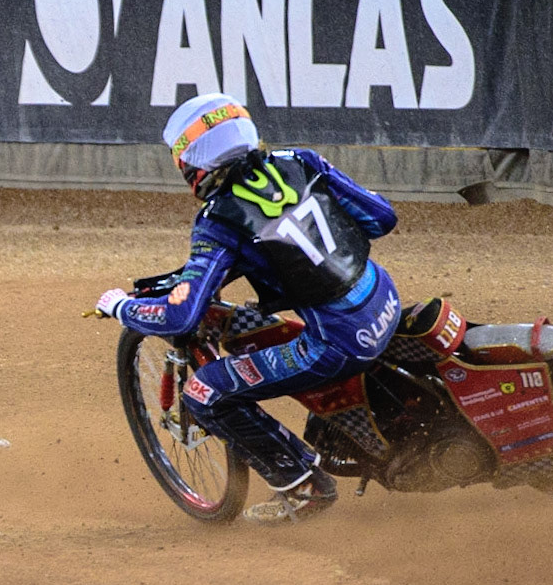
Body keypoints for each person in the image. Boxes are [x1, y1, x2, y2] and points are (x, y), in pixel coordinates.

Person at [94, 93, 400, 523]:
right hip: (385, 298)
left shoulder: (217, 221)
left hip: (338, 342)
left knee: (204, 392)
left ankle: (305, 488)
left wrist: (122, 307)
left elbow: (181, 317)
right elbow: (381, 219)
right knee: (249, 322)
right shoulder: (300, 160)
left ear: (195, 165)